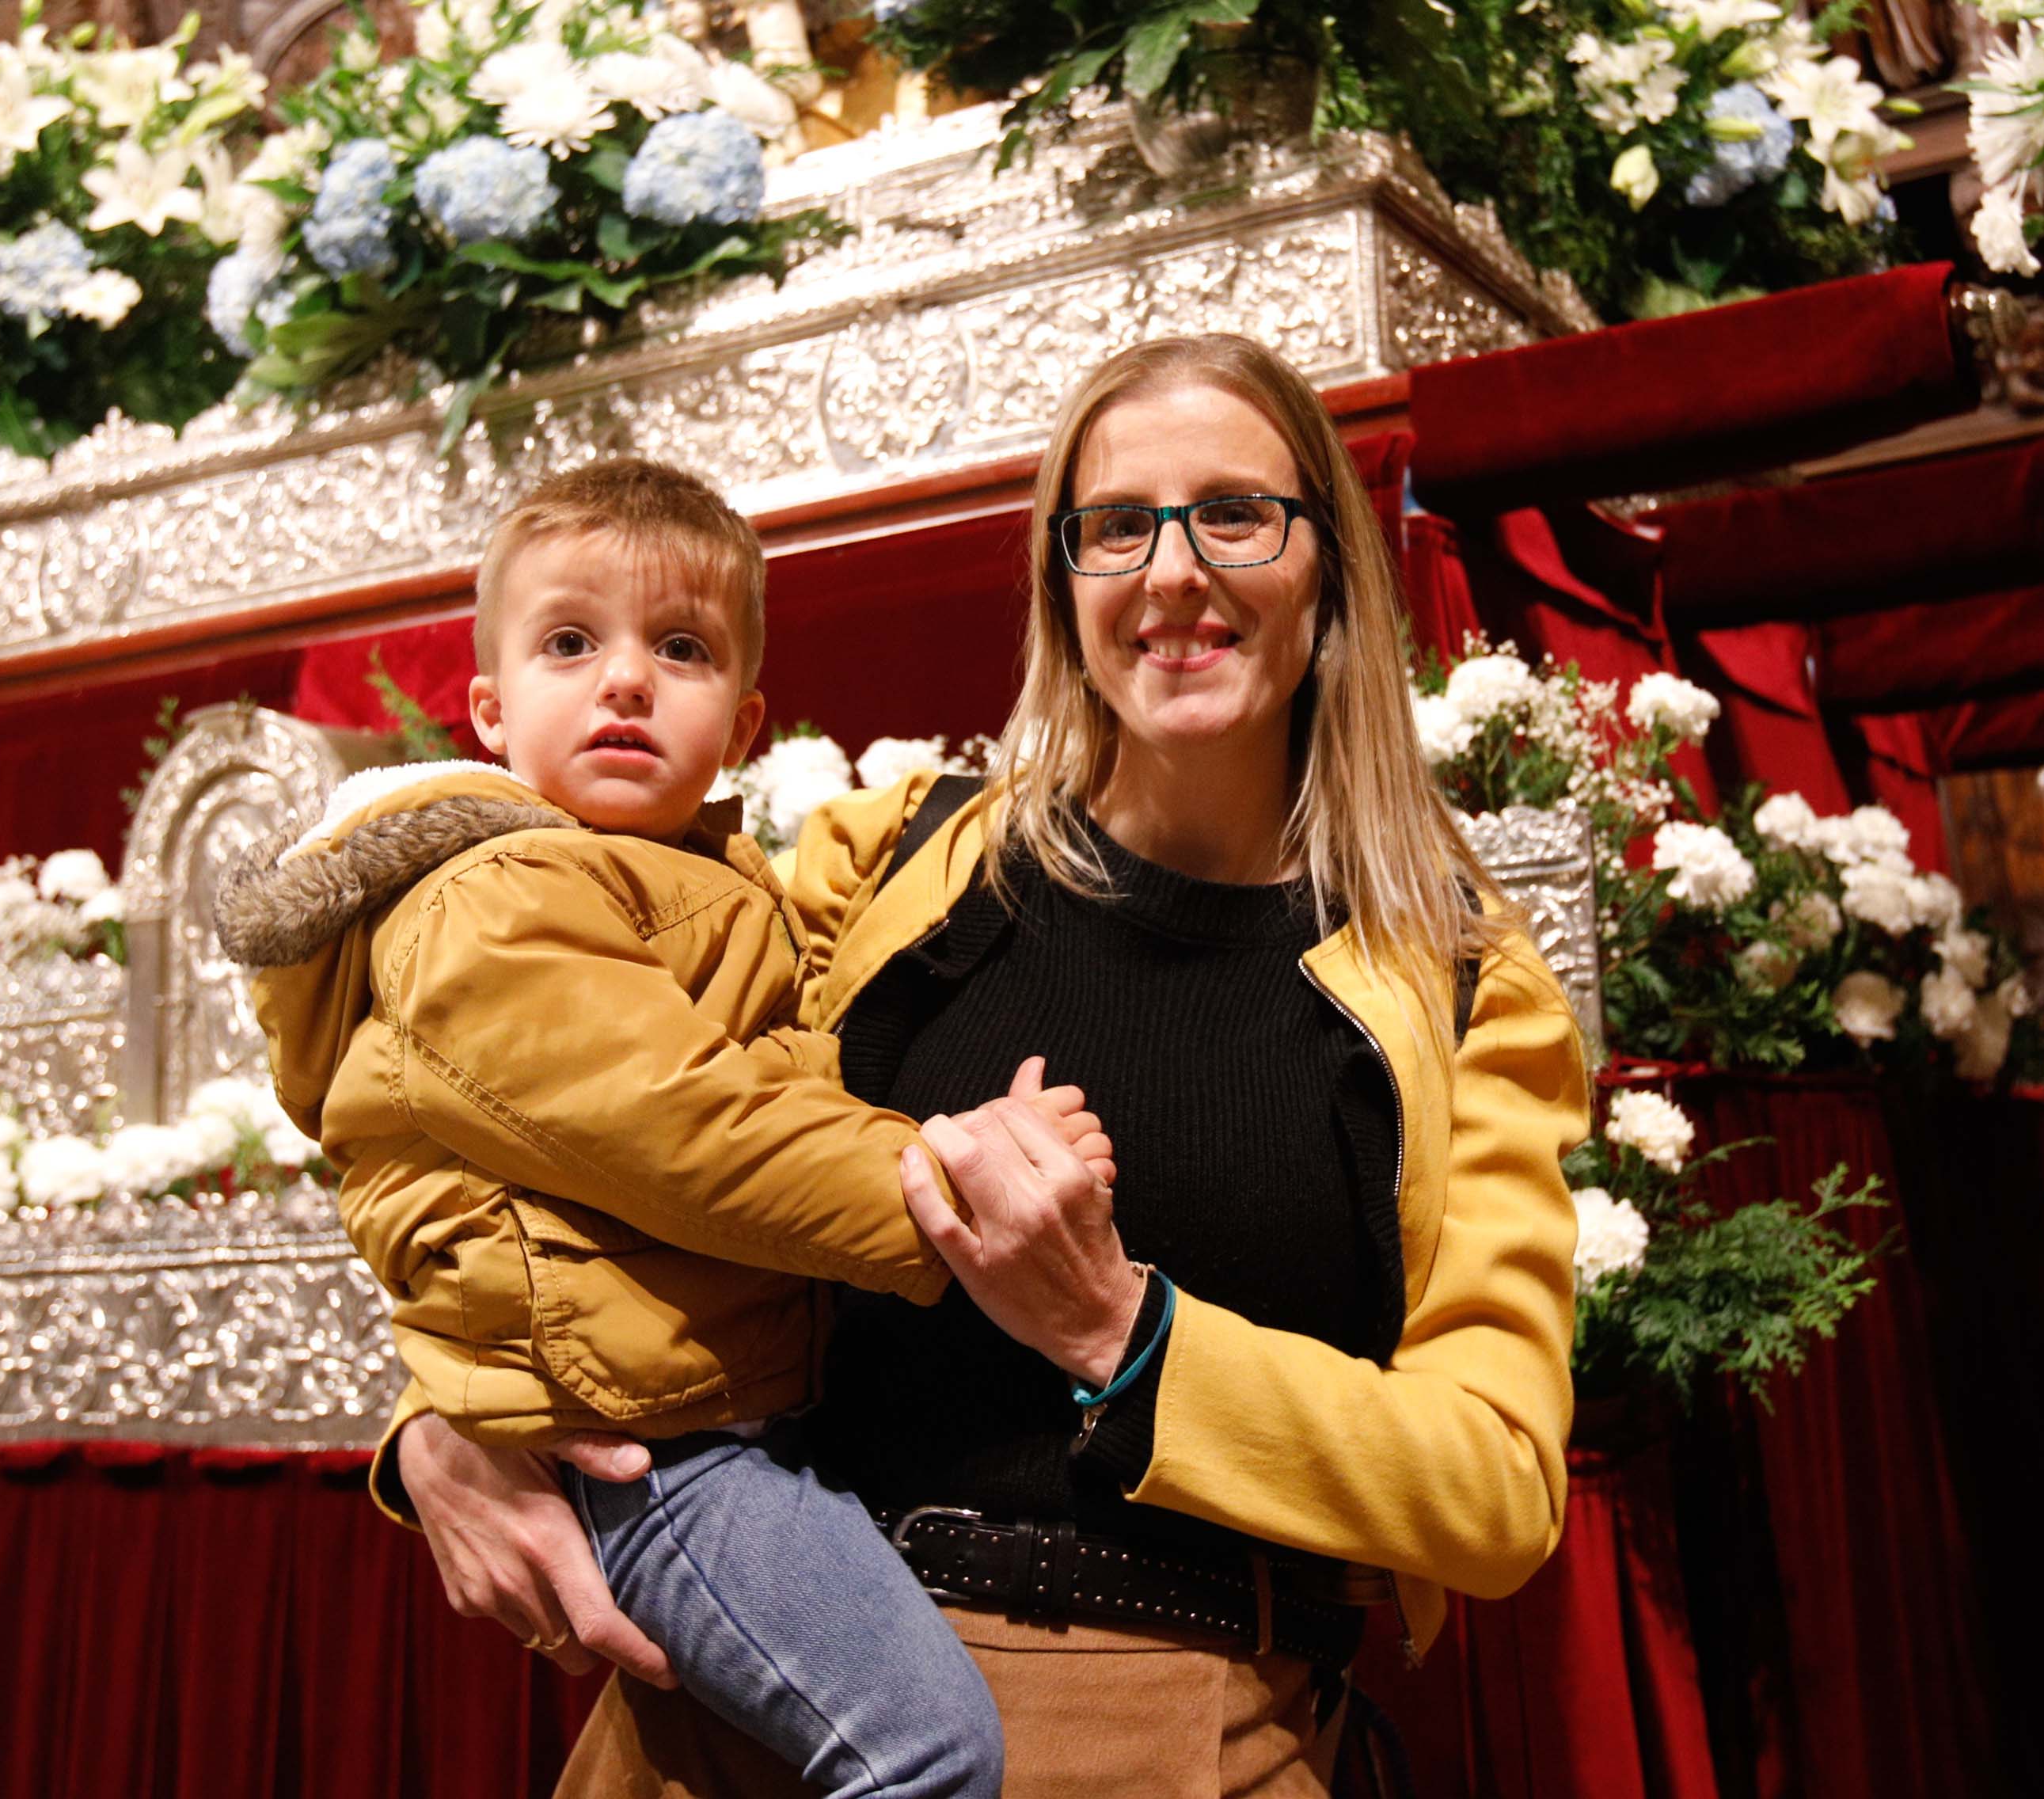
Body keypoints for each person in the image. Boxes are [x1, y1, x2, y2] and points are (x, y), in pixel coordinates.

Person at [384, 335, 1592, 1797]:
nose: (1172, 573)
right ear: (1060, 581)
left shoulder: (1460, 989)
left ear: (1327, 562)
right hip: (755, 1693)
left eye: (1233, 513)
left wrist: (1118, 1333)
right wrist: (434, 1425)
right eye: (1115, 527)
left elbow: (1496, 1489)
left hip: (1159, 1721)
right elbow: (567, 1101)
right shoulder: (881, 864)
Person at [215, 457, 1124, 1799]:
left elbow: (778, 1081)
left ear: (744, 721)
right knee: (925, 1753)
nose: (626, 679)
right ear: (488, 709)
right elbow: (686, 1128)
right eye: (571, 643)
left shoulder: (695, 884)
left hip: (712, 1407)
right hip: (650, 1448)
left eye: (679, 649)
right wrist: (957, 1189)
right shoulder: (497, 895)